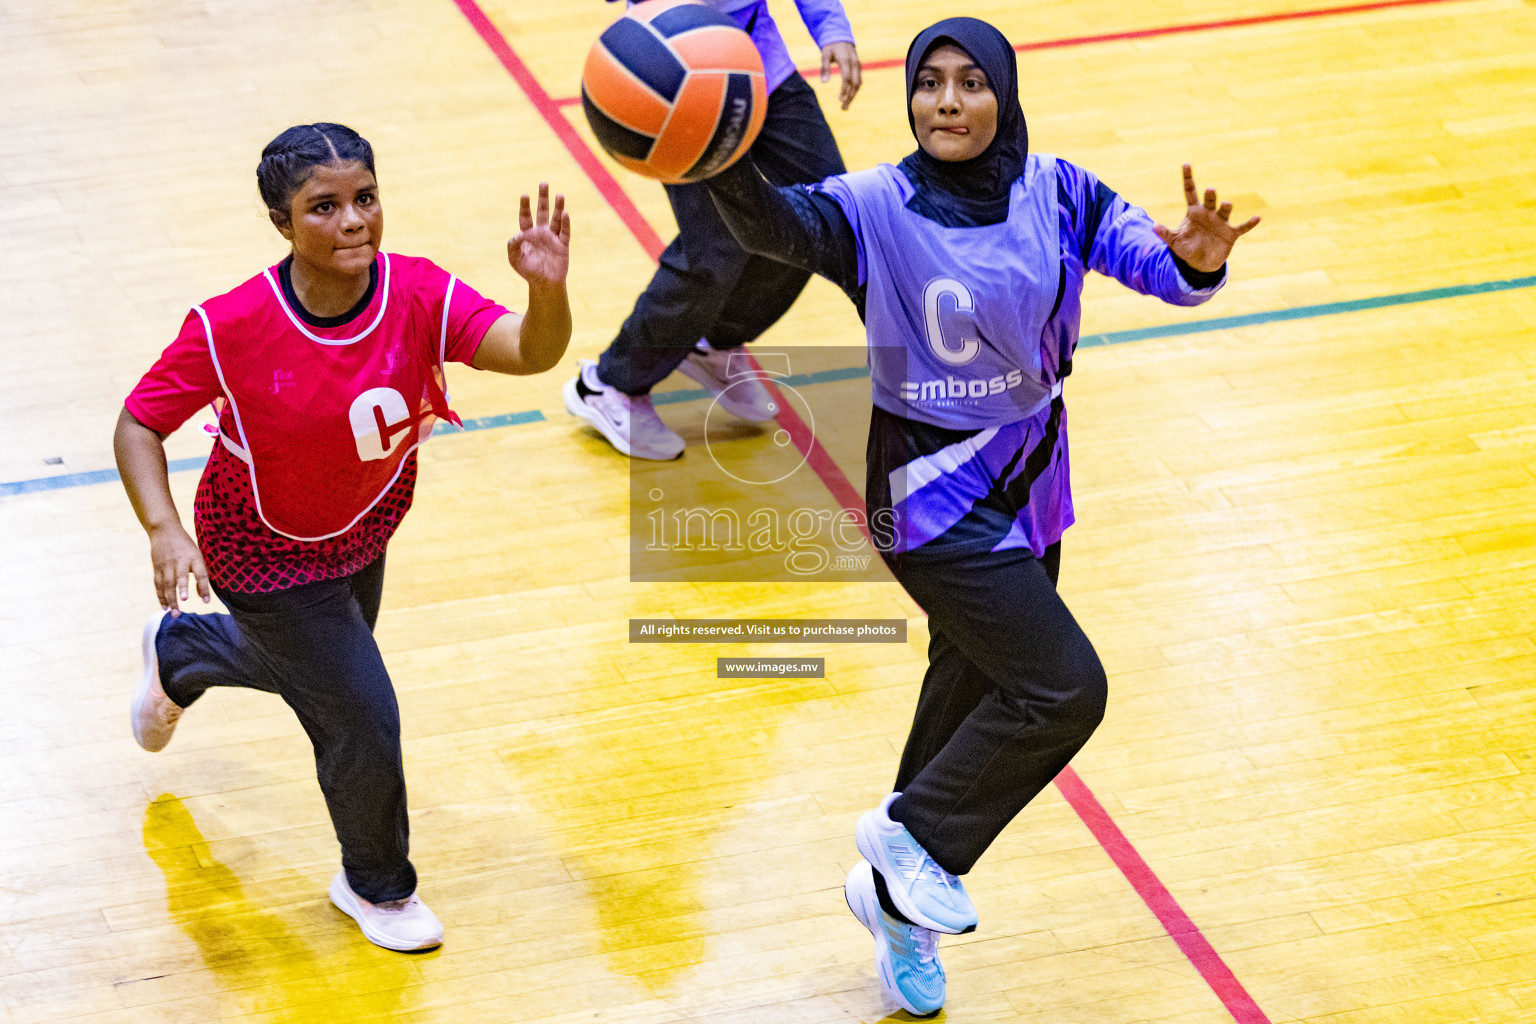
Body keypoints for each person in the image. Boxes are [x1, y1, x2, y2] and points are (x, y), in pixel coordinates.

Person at [703, 17, 1259, 1016]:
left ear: (1003, 93)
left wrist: (1200, 260)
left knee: (967, 687)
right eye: (929, 84)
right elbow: (774, 229)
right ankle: (910, 845)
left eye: (969, 83)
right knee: (1062, 689)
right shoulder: (875, 204)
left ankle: (899, 902)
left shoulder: (1061, 189)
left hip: (1033, 472)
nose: (947, 102)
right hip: (924, 486)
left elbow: (1158, 266)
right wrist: (713, 154)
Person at [115, 123, 572, 953]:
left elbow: (531, 353)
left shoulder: (418, 291)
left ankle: (180, 655)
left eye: (365, 199)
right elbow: (140, 420)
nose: (354, 220)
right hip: (259, 550)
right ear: (283, 225)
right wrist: (164, 530)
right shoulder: (232, 325)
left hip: (365, 530)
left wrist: (546, 292)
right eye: (323, 207)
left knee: (318, 676)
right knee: (361, 712)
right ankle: (377, 887)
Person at [563, 0, 862, 459]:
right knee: (714, 249)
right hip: (673, 78)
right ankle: (610, 384)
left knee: (821, 219)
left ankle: (714, 343)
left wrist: (831, 28)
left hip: (756, 65)